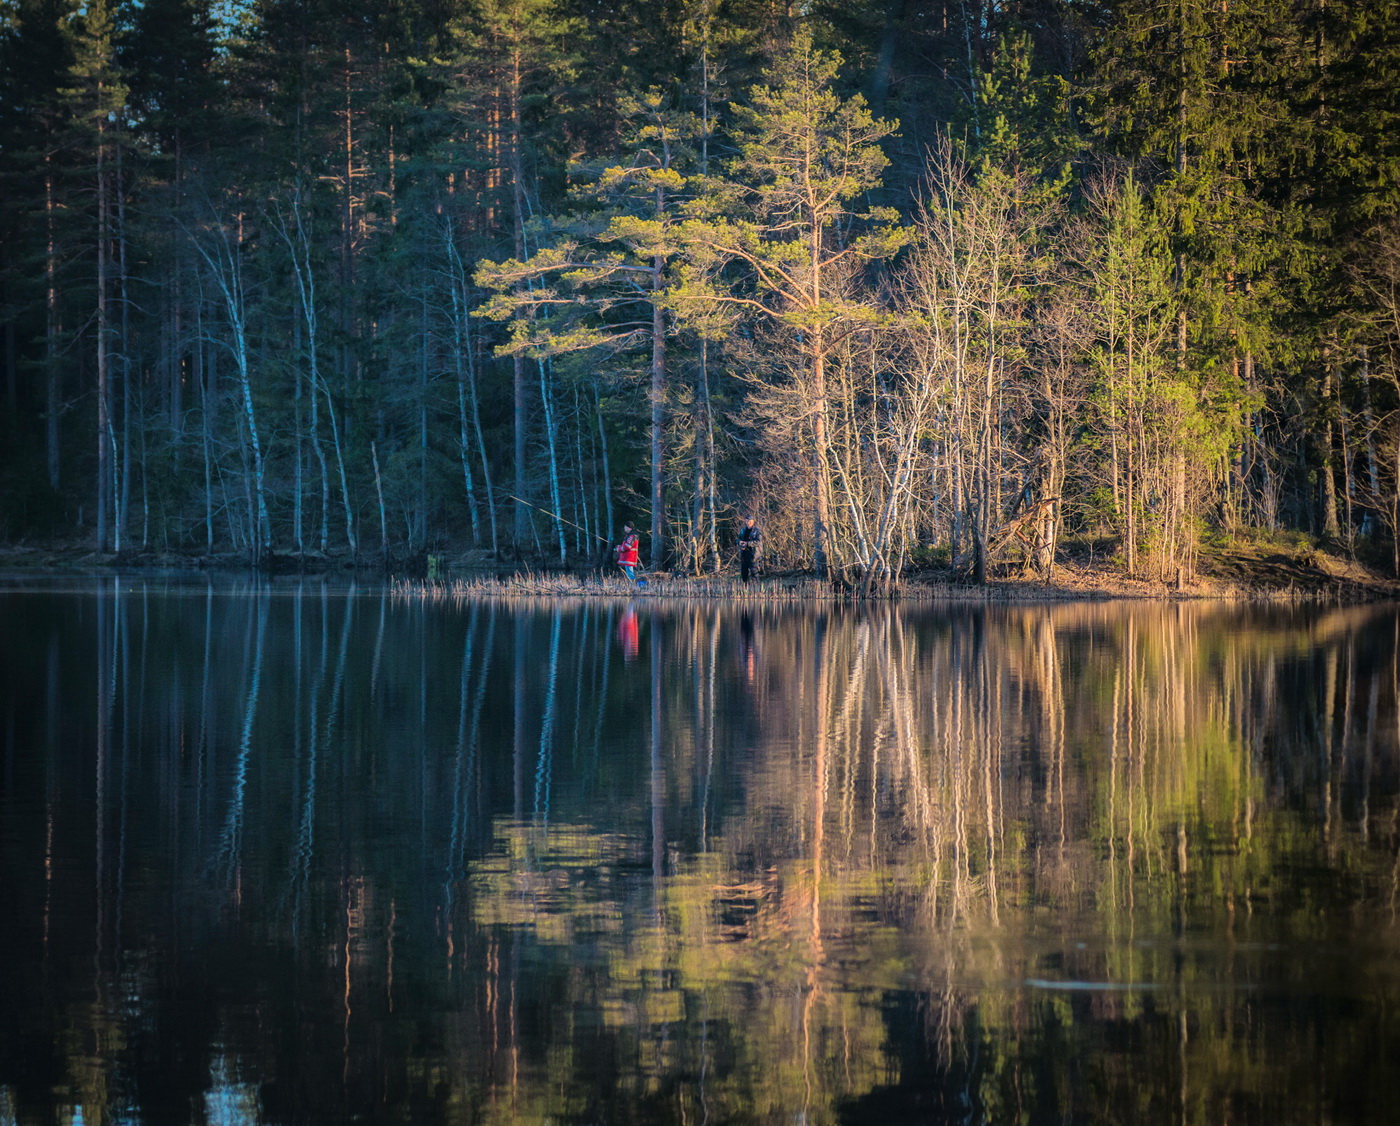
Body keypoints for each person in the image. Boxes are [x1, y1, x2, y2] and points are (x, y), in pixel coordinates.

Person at [737, 516, 761, 583]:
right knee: (744, 572)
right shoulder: (742, 530)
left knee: (754, 572)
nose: (748, 523)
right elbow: (738, 539)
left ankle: (756, 588)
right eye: (747, 521)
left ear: (753, 522)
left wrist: (747, 544)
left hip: (753, 554)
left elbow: (758, 542)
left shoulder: (757, 531)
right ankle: (745, 588)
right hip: (744, 554)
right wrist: (740, 542)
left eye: (750, 521)